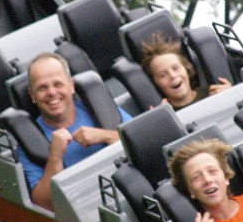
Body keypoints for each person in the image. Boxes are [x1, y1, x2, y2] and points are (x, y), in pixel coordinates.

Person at [16, 52, 131, 210]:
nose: (51, 92)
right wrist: (55, 156)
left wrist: (104, 135)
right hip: (83, 212)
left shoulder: (100, 109)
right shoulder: (29, 141)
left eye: (57, 84)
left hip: (127, 191)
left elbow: (141, 144)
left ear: (71, 85)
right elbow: (42, 204)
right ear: (32, 95)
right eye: (42, 87)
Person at [140, 32, 231, 110]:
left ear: (186, 69)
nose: (172, 76)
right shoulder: (165, 114)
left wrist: (230, 95)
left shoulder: (213, 93)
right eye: (163, 75)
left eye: (176, 68)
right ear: (155, 83)